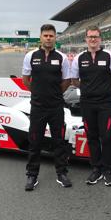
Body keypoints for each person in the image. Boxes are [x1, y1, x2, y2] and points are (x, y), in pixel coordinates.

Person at [22, 24, 72, 191]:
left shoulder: (62, 58)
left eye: (51, 35)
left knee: (59, 141)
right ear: (41, 37)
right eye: (46, 35)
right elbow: (26, 79)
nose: (48, 38)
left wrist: (55, 94)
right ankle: (32, 175)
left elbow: (67, 81)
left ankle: (62, 173)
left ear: (55, 37)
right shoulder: (31, 56)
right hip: (37, 107)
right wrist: (37, 92)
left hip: (56, 107)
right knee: (35, 141)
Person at [70, 26, 111, 186]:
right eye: (90, 37)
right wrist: (87, 88)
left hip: (105, 103)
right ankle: (96, 169)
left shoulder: (109, 56)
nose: (93, 39)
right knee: (92, 137)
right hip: (87, 103)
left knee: (106, 137)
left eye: (96, 37)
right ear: (86, 39)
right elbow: (74, 79)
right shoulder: (79, 58)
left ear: (100, 39)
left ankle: (108, 170)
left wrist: (104, 89)